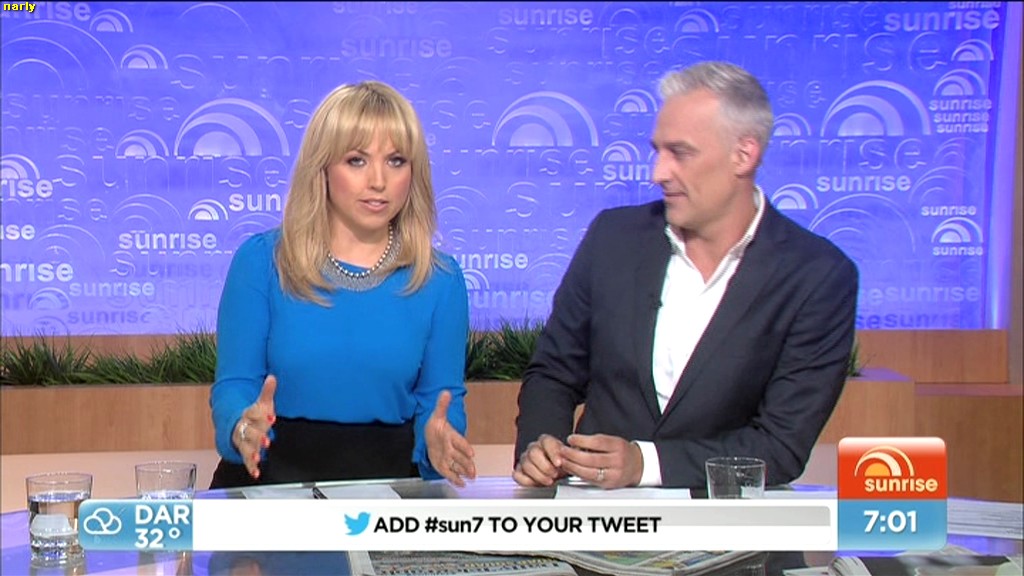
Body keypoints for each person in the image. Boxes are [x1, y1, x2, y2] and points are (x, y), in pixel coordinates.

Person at [513, 61, 858, 489]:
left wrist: (645, 464)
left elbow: (780, 445)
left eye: (680, 153)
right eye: (657, 151)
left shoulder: (817, 276)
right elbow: (553, 373)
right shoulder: (613, 238)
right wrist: (540, 446)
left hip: (728, 523)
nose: (658, 173)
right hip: (599, 518)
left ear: (744, 154)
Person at [209, 81, 476, 489]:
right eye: (356, 160)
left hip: (388, 490)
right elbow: (235, 385)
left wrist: (439, 442)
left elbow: (441, 400)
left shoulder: (440, 279)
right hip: (271, 481)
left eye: (396, 161)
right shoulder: (262, 262)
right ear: (323, 168)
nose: (378, 180)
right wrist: (242, 428)